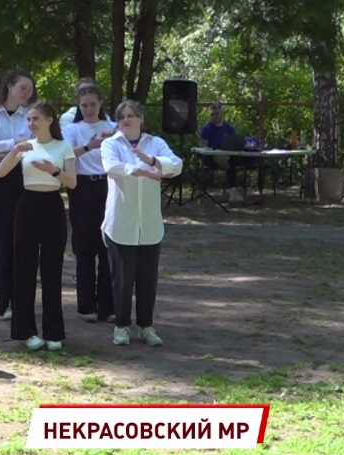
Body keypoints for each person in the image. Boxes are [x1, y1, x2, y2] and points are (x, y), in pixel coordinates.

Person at [0, 101, 76, 351]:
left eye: (36, 119)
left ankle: (53, 332)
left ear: (50, 120)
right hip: (27, 206)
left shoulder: (63, 146)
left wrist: (53, 170)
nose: (31, 124)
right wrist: (13, 151)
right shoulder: (24, 147)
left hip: (52, 206)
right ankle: (26, 330)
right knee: (24, 268)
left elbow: (72, 182)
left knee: (52, 269)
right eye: (29, 119)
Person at [101, 100, 182, 347]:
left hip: (149, 226)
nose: (126, 120)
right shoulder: (110, 143)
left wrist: (153, 161)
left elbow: (176, 165)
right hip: (120, 224)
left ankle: (146, 326)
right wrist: (140, 169)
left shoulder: (155, 143)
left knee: (147, 279)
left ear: (141, 119)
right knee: (122, 280)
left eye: (131, 115)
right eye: (122, 116)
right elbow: (111, 166)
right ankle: (122, 326)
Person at [0, 69, 36, 321]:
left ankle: (22, 299)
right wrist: (17, 143)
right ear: (10, 86)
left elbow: (38, 143)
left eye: (30, 89)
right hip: (1, 179)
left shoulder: (31, 116)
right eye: (23, 87)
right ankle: (3, 301)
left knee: (24, 239)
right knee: (1, 240)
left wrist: (16, 145)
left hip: (25, 176)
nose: (27, 93)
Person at [63, 84, 117, 323]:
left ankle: (108, 305)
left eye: (92, 105)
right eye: (84, 105)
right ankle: (86, 305)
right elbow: (65, 155)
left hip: (108, 185)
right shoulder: (73, 129)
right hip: (82, 186)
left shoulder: (112, 127)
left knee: (108, 245)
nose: (88, 109)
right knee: (84, 246)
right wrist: (88, 146)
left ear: (100, 104)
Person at [199, 101, 243, 203]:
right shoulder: (206, 129)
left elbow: (234, 144)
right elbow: (203, 146)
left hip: (228, 155)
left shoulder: (229, 128)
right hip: (211, 157)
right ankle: (233, 191)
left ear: (222, 113)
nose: (214, 116)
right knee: (228, 162)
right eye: (212, 114)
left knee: (234, 161)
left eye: (217, 113)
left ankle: (233, 192)